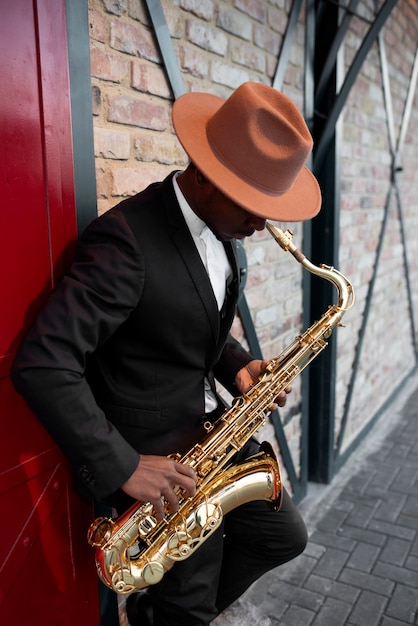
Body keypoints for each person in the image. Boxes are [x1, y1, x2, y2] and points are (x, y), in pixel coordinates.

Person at [12, 82, 321, 625]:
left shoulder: (222, 231)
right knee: (190, 607)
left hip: (210, 443)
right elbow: (44, 360)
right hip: (162, 465)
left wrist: (237, 363)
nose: (262, 224)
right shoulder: (126, 241)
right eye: (252, 206)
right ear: (205, 174)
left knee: (283, 537)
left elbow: (187, 318)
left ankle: (161, 615)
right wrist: (124, 466)